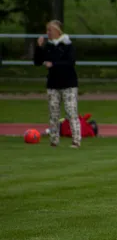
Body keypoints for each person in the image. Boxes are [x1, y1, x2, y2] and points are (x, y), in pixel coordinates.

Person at [34, 20, 81, 148]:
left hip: (68, 84)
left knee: (71, 112)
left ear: (57, 31)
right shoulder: (48, 46)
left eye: (49, 30)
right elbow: (37, 62)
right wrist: (39, 47)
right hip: (53, 84)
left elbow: (70, 62)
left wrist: (54, 64)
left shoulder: (68, 45)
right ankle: (54, 140)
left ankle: (76, 139)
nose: (47, 33)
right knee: (53, 113)